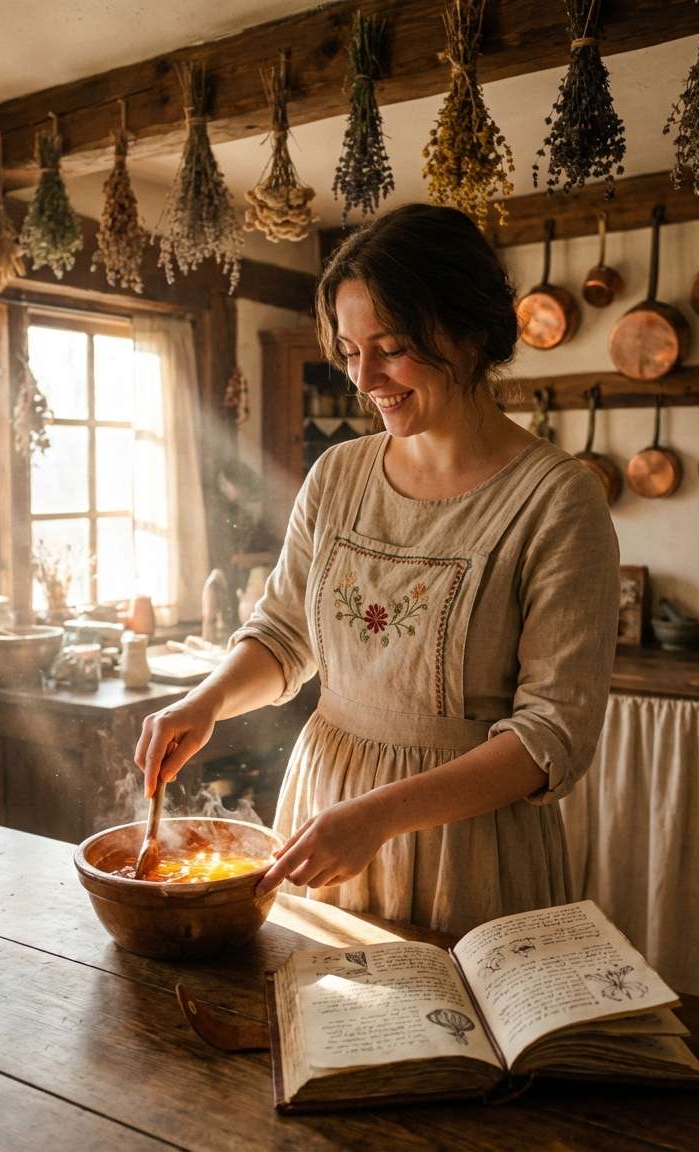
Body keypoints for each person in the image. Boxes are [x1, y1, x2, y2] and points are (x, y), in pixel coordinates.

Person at [135, 203, 620, 937]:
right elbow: (283, 634)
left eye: (389, 348)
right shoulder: (340, 475)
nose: (365, 377)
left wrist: (380, 816)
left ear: (468, 332)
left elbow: (551, 735)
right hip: (322, 815)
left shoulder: (557, 499)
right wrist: (206, 702)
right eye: (349, 350)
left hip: (467, 843)